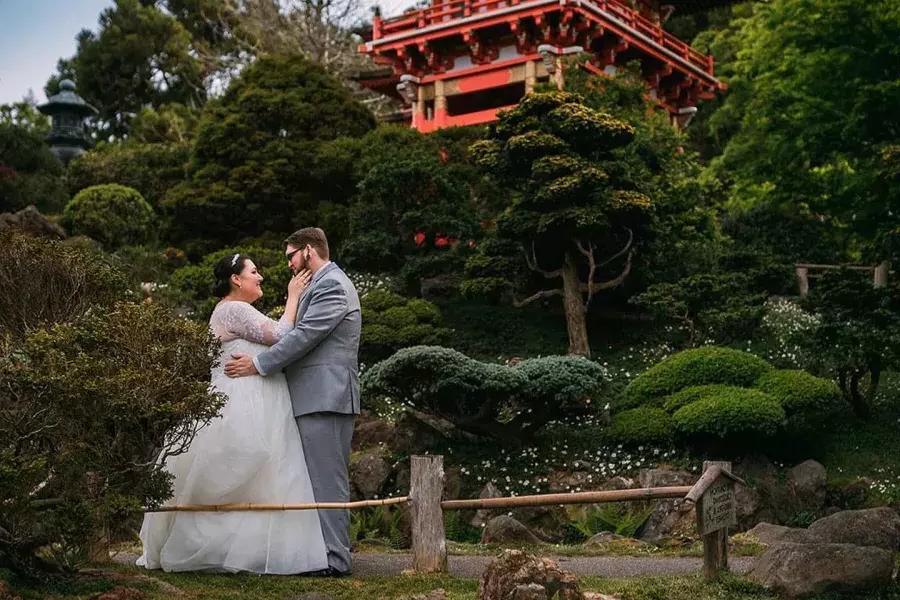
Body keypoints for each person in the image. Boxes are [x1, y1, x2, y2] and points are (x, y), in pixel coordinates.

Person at [137, 254, 328, 574]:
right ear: (236, 279)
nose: (260, 277)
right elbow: (281, 335)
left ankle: (249, 550)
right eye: (254, 271)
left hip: (258, 399)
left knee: (264, 474)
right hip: (242, 401)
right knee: (246, 466)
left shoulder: (238, 310)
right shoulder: (233, 309)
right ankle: (223, 548)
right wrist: (294, 296)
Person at [225, 227, 361, 577]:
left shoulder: (331, 285)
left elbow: (304, 337)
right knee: (319, 479)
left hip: (325, 396)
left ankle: (336, 561)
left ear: (309, 251)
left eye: (290, 256)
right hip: (316, 395)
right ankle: (327, 553)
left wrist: (257, 365)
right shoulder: (320, 284)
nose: (288, 264)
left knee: (327, 481)